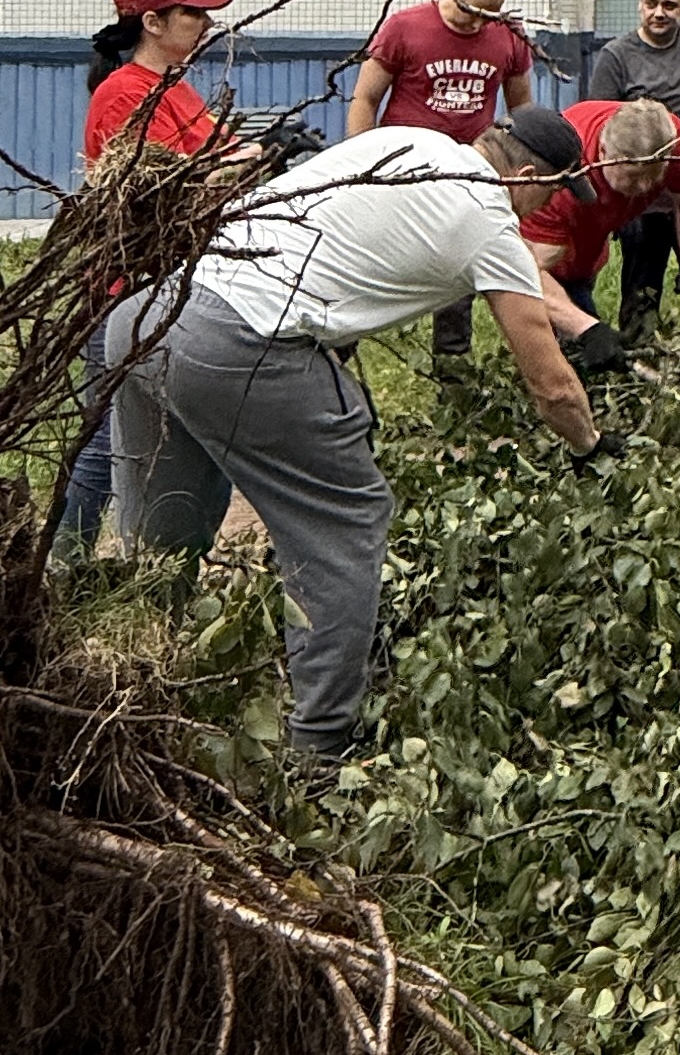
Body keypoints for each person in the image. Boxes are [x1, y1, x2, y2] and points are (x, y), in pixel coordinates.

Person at [108, 106, 602, 765]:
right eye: (554, 192)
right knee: (346, 521)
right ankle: (319, 751)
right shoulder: (488, 218)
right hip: (238, 345)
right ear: (529, 175)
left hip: (151, 314)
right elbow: (551, 385)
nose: (548, 207)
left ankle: (128, 695)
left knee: (164, 533)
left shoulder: (411, 141)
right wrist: (591, 446)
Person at [56, 0, 234, 553]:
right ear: (152, 24)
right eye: (194, 14)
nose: (207, 24)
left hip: (173, 287)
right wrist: (228, 166)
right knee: (106, 444)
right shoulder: (124, 93)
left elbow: (218, 152)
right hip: (123, 290)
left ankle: (159, 560)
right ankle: (63, 562)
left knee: (175, 440)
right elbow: (156, 191)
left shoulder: (175, 87)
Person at [347, 0, 536, 362]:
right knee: (372, 253)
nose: (480, 24)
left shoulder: (507, 36)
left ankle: (453, 365)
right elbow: (365, 98)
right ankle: (340, 345)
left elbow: (522, 108)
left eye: (490, 17)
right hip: (403, 165)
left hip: (467, 167)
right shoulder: (405, 28)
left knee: (459, 259)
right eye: (474, 13)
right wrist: (359, 164)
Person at [512, 96, 680, 359]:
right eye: (633, 176)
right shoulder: (560, 178)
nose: (643, 187)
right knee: (560, 351)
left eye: (653, 175)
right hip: (545, 257)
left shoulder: (669, 140)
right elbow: (528, 272)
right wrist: (587, 329)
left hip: (590, 243)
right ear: (604, 152)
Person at [585, 0, 680, 336]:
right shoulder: (617, 56)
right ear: (639, 6)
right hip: (638, 195)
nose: (659, 12)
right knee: (641, 292)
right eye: (651, 4)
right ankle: (637, 356)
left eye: (669, 5)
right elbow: (602, 125)